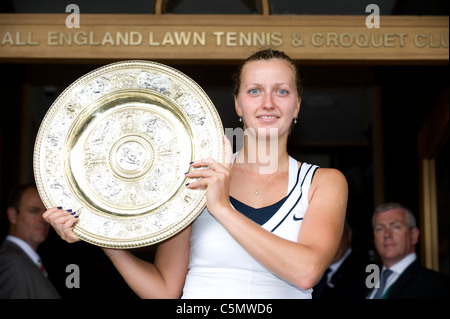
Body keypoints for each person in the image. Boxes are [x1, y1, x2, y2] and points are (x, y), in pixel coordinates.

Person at [43, 49, 348, 299]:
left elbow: (306, 271)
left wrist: (221, 209)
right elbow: (164, 290)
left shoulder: (323, 182)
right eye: (254, 91)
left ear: (296, 106)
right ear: (238, 105)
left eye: (281, 91)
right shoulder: (197, 176)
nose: (268, 102)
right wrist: (102, 236)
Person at [366, 202, 449, 299]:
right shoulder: (367, 278)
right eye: (380, 229)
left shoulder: (436, 285)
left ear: (414, 235)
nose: (387, 234)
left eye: (396, 227)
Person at [0, 183, 61, 299]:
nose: (43, 218)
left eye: (46, 212)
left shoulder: (26, 260)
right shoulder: (9, 261)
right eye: (34, 211)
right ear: (13, 215)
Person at [312, 221, 369, 299]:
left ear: (349, 235)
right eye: (323, 234)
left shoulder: (368, 271)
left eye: (335, 233)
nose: (328, 240)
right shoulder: (310, 268)